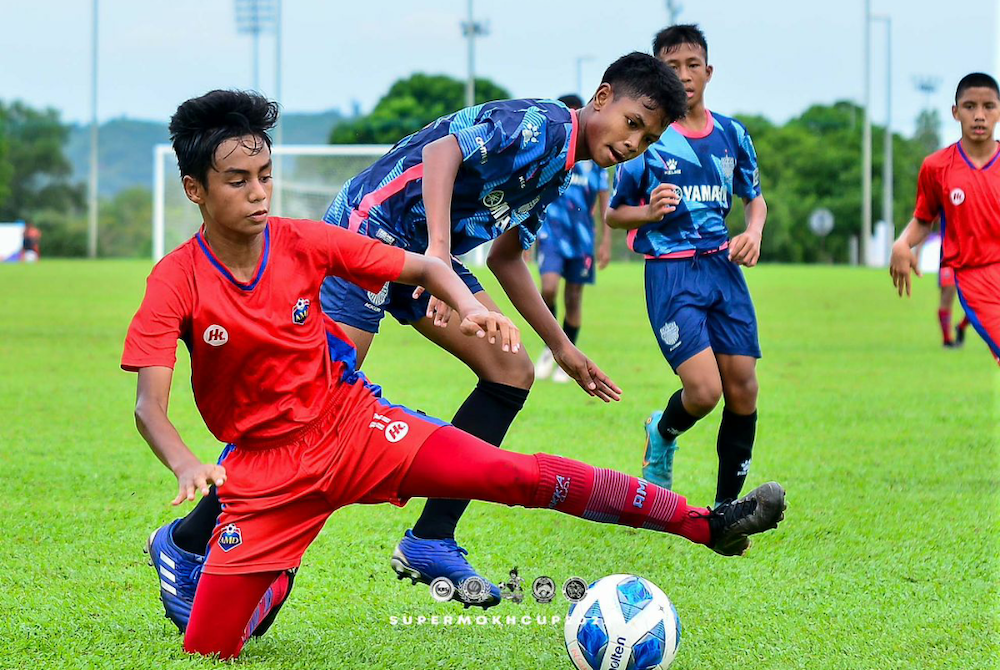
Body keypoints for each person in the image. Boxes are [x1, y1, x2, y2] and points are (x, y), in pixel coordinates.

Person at [124, 89, 786, 661]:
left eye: (266, 176)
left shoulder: (305, 240)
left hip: (358, 428)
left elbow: (459, 263)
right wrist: (186, 465)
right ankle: (229, 556)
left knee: (514, 450)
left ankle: (704, 523)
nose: (258, 193)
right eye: (238, 181)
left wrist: (484, 312)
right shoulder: (176, 280)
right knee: (212, 648)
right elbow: (150, 405)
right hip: (280, 449)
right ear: (196, 189)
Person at [606, 25, 767, 508]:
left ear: (708, 71)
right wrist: (649, 212)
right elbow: (615, 214)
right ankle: (662, 430)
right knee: (703, 392)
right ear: (658, 74)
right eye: (671, 67)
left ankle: (726, 511)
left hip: (723, 269)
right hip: (671, 274)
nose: (684, 75)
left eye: (692, 65)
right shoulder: (647, 139)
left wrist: (753, 232)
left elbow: (755, 199)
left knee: (744, 389)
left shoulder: (732, 135)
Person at [890, 72, 1000, 364]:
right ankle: (949, 336)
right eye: (970, 106)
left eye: (989, 106)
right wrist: (902, 243)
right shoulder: (937, 167)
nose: (979, 115)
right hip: (975, 278)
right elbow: (923, 219)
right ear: (955, 112)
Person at [533, 94, 613, 383]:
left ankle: (569, 356)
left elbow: (605, 202)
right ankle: (551, 347)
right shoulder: (552, 150)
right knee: (549, 289)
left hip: (581, 238)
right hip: (551, 234)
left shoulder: (595, 159)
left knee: (574, 298)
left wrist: (605, 241)